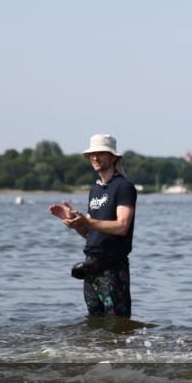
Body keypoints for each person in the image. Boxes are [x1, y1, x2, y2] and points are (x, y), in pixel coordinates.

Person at [49, 134, 137, 319]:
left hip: (113, 268)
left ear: (113, 157)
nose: (95, 157)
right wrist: (76, 223)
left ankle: (124, 349)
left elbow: (122, 226)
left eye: (101, 153)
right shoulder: (95, 189)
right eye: (92, 154)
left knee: (117, 325)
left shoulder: (124, 187)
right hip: (90, 268)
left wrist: (87, 221)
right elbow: (91, 234)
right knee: (94, 325)